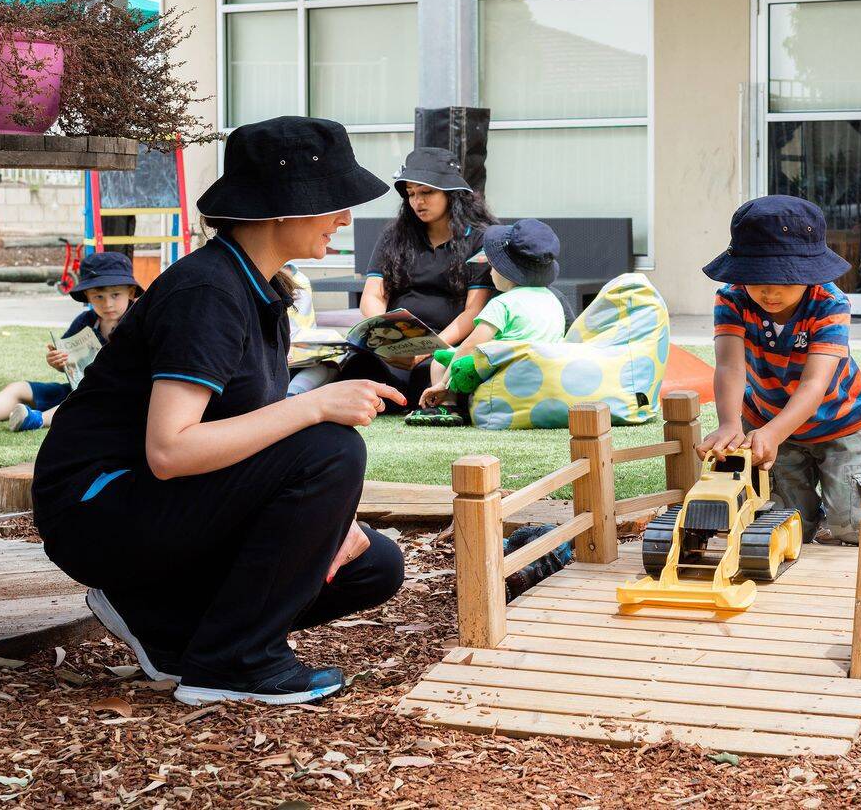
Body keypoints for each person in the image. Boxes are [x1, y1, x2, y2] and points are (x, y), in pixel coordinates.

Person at [31, 116, 407, 706]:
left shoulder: (260, 290)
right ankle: (233, 663)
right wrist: (313, 405)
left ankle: (166, 624)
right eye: (334, 202)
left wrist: (334, 525)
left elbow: (252, 439)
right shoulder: (206, 292)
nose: (344, 218)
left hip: (161, 506)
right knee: (331, 446)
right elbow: (170, 450)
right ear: (283, 207)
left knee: (374, 564)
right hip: (99, 508)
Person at [697, 196, 861, 544]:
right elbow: (730, 365)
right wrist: (730, 423)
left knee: (851, 527)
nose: (770, 291)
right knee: (789, 523)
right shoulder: (732, 298)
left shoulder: (830, 304)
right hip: (769, 417)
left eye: (784, 279)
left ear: (809, 274)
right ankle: (818, 514)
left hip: (840, 422)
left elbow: (814, 385)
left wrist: (773, 434)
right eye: (757, 279)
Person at [289, 148, 497, 407]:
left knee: (434, 372)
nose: (417, 201)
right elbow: (374, 295)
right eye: (411, 194)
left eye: (427, 192)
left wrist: (429, 346)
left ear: (451, 194)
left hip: (445, 346)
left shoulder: (478, 239)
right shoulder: (395, 236)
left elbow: (474, 311)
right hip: (394, 346)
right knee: (354, 366)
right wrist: (387, 339)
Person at [0, 252, 141, 433]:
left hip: (116, 396)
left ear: (131, 292)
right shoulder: (85, 321)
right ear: (87, 296)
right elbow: (68, 362)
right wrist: (57, 361)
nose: (108, 304)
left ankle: (37, 419)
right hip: (76, 388)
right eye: (98, 297)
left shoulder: (138, 322)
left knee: (86, 399)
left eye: (115, 295)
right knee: (19, 388)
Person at [413, 218, 567, 423]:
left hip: (503, 371)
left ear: (505, 272)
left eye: (493, 266)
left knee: (441, 360)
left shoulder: (502, 303)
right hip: (541, 373)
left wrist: (442, 383)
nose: (490, 272)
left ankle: (446, 408)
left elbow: (471, 345)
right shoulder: (553, 300)